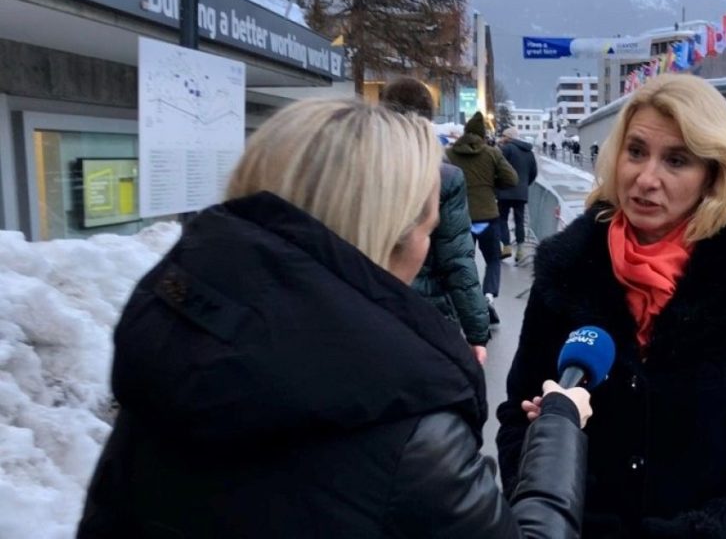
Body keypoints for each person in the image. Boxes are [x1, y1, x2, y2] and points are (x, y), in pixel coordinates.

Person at [77, 100, 593, 538]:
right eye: (428, 230)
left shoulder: (173, 348)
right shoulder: (409, 431)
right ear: (387, 231)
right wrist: (560, 425)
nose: (426, 245)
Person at [496, 74, 726, 539]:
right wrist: (548, 511)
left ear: (713, 173)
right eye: (636, 152)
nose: (646, 178)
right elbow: (517, 420)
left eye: (676, 160)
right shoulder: (566, 271)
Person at [380, 76, 490, 365]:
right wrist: (477, 333)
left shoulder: (356, 167)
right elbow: (457, 260)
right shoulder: (442, 177)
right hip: (428, 316)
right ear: (428, 118)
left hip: (364, 309)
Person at [447, 111, 518, 325]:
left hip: (460, 216)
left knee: (463, 262)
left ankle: (465, 304)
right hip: (487, 216)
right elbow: (511, 179)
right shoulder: (492, 153)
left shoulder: (449, 154)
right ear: (482, 134)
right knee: (493, 259)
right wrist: (492, 187)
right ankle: (488, 297)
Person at [497, 127, 538, 265]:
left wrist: (497, 183)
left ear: (508, 137)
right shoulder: (529, 152)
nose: (501, 138)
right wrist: (525, 184)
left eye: (503, 136)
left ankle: (506, 246)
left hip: (504, 191)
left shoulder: (507, 149)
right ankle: (520, 249)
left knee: (502, 219)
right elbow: (533, 172)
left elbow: (499, 167)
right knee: (519, 221)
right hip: (521, 193)